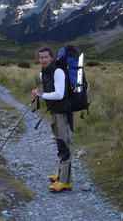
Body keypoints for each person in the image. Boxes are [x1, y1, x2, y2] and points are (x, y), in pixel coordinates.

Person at [31, 47, 73, 193]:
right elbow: (49, 92)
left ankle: (65, 181)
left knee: (64, 144)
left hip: (62, 112)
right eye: (41, 57)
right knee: (60, 142)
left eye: (46, 57)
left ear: (52, 57)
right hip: (54, 112)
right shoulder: (44, 73)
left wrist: (42, 95)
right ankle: (64, 173)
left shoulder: (58, 72)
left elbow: (59, 95)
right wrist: (38, 92)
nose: (43, 60)